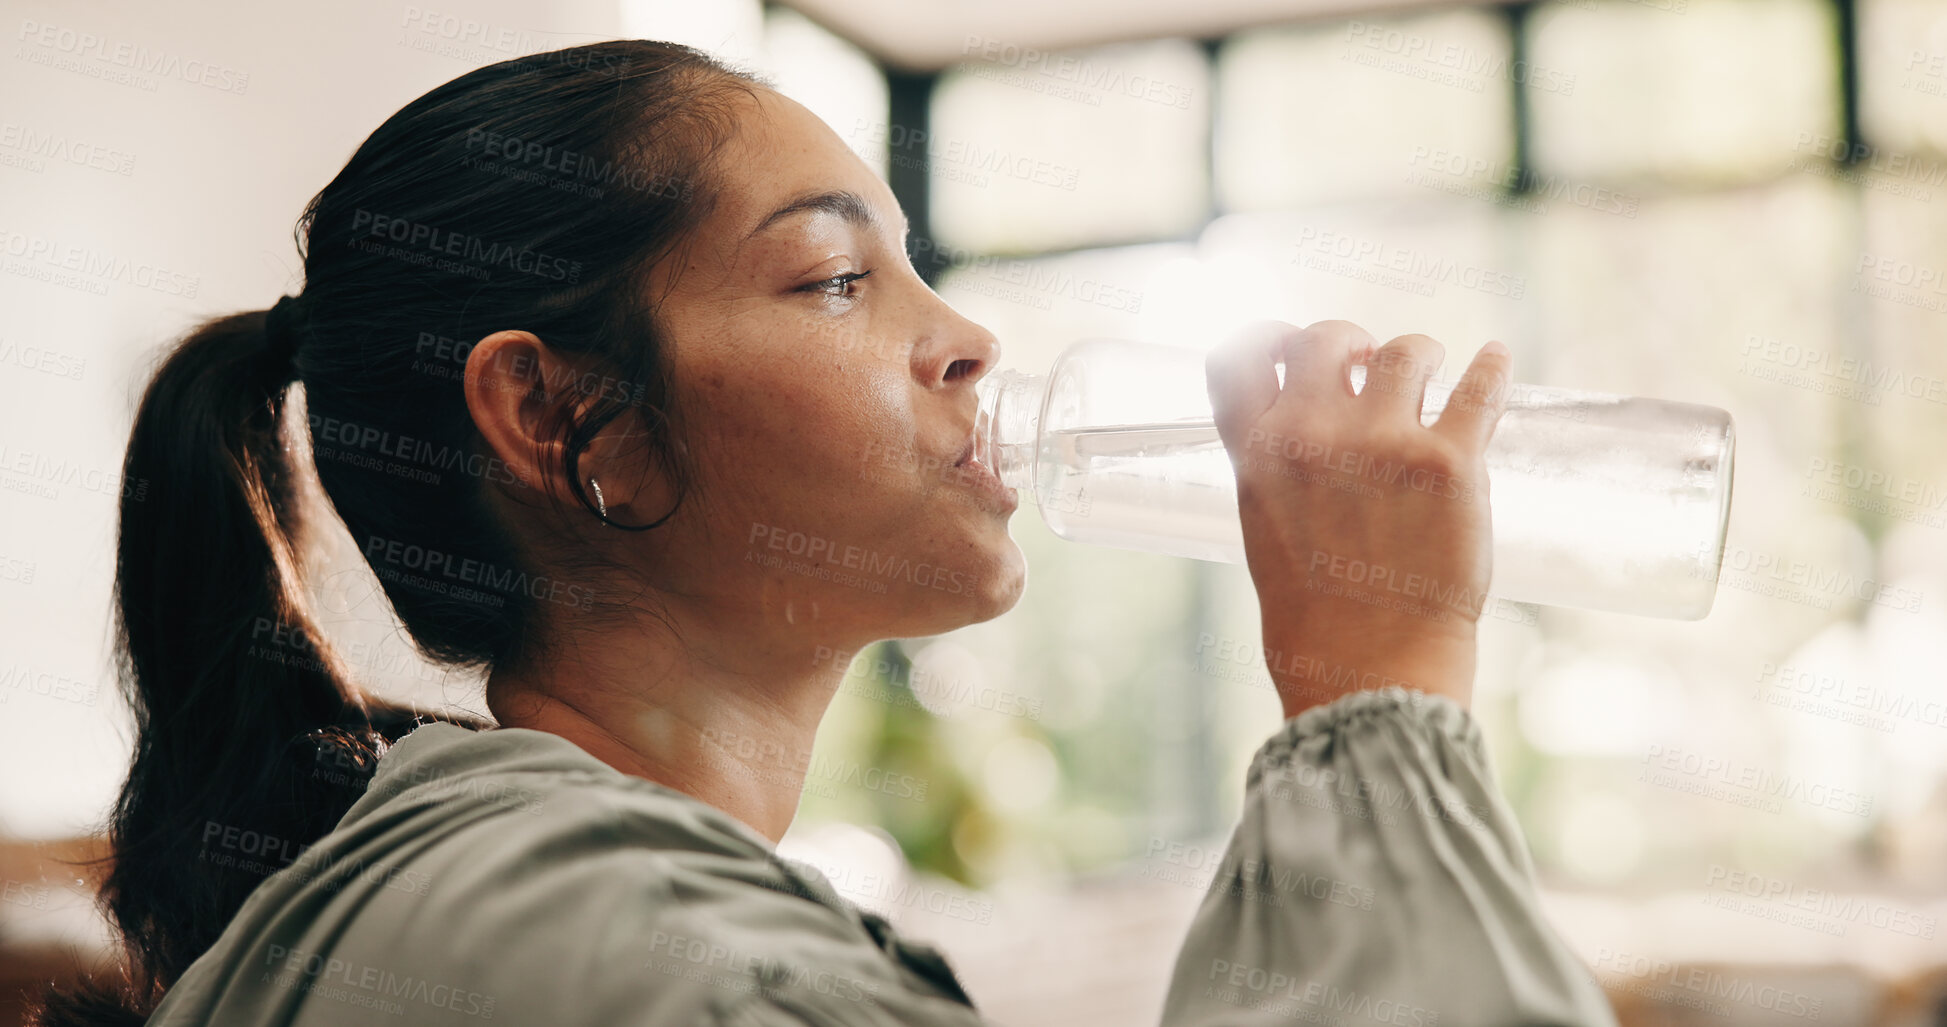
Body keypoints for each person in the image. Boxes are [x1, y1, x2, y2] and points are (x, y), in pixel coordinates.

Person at [31, 39, 1618, 1027]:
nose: (971, 340)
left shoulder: (490, 891)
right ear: (563, 419)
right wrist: (1376, 698)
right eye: (835, 280)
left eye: (915, 268)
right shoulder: (648, 954)